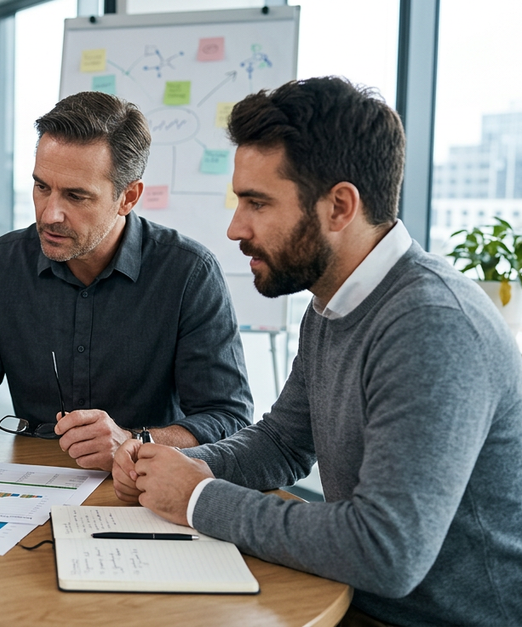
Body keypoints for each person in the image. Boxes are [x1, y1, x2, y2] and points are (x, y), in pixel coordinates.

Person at [113, 77, 522, 626]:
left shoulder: (432, 325)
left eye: (256, 202)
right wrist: (172, 465)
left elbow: (385, 551)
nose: (235, 227)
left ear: (340, 206)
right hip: (356, 602)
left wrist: (197, 498)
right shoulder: (332, 304)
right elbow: (283, 443)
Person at [0, 91, 253, 474]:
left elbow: (228, 418)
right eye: (42, 187)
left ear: (129, 197)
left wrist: (134, 440)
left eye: (76, 195)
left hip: (147, 490)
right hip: (29, 486)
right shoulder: (1, 265)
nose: (50, 213)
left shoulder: (189, 273)